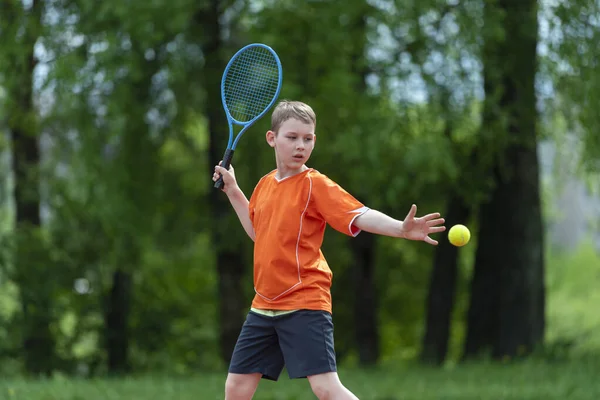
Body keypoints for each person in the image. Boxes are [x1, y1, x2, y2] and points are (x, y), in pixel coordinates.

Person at [212, 100, 446, 400]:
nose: (301, 146)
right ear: (272, 138)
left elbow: (359, 214)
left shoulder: (314, 185)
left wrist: (400, 228)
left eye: (308, 139)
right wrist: (233, 189)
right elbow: (259, 233)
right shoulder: (265, 185)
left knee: (325, 389)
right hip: (264, 303)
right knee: (237, 388)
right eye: (292, 137)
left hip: (304, 300)